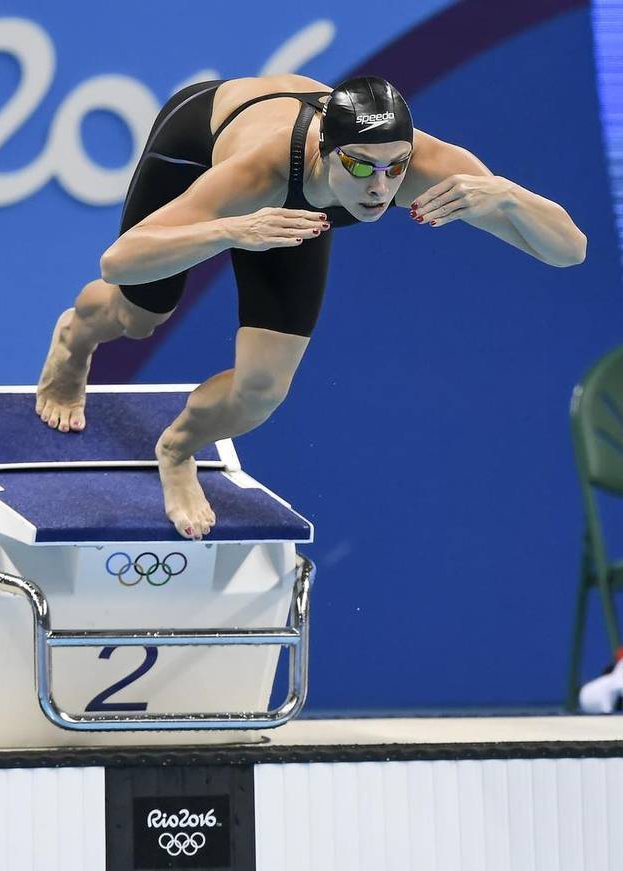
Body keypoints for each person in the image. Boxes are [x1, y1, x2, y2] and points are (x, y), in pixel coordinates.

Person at [35, 74, 587, 540]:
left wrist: (511, 195)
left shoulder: (430, 165)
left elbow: (569, 253)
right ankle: (73, 340)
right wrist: (232, 229)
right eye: (362, 167)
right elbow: (119, 261)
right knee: (139, 315)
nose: (380, 187)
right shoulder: (260, 170)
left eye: (396, 167)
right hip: (199, 146)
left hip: (295, 213)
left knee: (261, 392)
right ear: (324, 154)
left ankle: (177, 449)